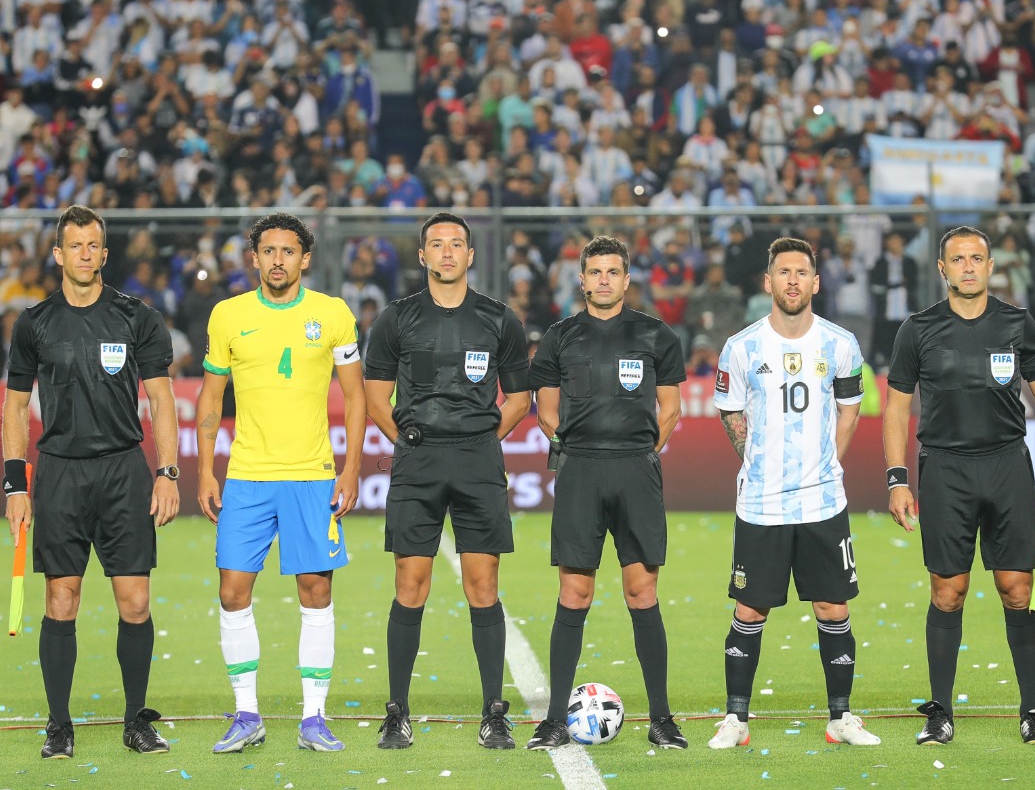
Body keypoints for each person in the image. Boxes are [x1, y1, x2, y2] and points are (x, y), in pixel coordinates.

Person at [2, 204, 179, 759]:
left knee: (135, 601)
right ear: (58, 254)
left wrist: (168, 471)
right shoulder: (33, 323)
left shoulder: (136, 317)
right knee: (62, 598)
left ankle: (135, 721)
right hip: (59, 472)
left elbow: (161, 399)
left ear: (104, 252)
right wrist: (15, 485)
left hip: (124, 469)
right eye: (73, 245)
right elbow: (13, 410)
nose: (84, 254)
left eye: (93, 245)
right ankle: (60, 725)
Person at [883, 226, 1035, 747]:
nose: (968, 267)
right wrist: (897, 479)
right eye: (958, 259)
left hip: (1008, 466)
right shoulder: (917, 330)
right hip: (945, 470)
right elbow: (897, 407)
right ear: (942, 269)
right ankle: (940, 710)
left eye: (977, 258)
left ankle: (1032, 710)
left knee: (1018, 590)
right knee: (949, 592)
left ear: (991, 267)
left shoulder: (1016, 323)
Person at [196, 212, 366, 754]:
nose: (277, 260)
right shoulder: (227, 316)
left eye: (287, 251)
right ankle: (247, 712)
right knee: (232, 591)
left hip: (312, 477)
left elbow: (357, 397)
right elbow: (209, 399)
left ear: (305, 258)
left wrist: (352, 466)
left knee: (316, 593)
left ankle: (313, 717)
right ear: (254, 258)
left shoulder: (332, 314)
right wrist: (204, 469)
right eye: (267, 251)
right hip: (246, 477)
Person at [363, 212, 531, 750]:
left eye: (457, 244)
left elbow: (521, 398)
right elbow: (374, 396)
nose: (447, 253)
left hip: (478, 464)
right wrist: (408, 440)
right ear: (422, 256)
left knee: (483, 586)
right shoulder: (396, 319)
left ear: (470, 255)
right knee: (410, 585)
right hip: (419, 464)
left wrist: (482, 439)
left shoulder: (500, 319)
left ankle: (494, 713)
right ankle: (397, 712)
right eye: (437, 244)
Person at [707, 237, 880, 750]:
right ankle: (736, 720)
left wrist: (829, 461)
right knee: (749, 609)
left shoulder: (841, 343)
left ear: (815, 283)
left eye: (801, 272)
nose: (792, 281)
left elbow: (850, 407)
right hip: (761, 502)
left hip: (823, 502)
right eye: (783, 272)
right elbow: (730, 409)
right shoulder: (742, 347)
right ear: (768, 282)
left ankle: (841, 718)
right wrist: (754, 459)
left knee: (833, 606)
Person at [523, 235, 689, 751]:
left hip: (635, 472)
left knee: (642, 592)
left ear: (626, 278)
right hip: (580, 473)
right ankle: (554, 720)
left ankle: (661, 718)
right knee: (574, 593)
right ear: (582, 278)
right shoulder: (559, 337)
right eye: (595, 272)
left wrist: (638, 450)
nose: (603, 280)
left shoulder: (655, 335)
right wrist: (576, 446)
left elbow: (670, 410)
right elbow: (546, 408)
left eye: (612, 272)